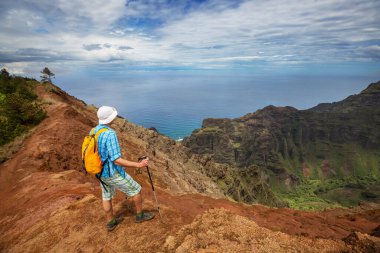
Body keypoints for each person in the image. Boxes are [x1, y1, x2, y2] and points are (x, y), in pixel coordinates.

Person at [94, 106, 155, 231]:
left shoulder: (94, 131)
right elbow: (116, 160)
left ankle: (110, 222)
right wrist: (139, 165)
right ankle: (139, 216)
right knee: (136, 190)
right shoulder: (110, 134)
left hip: (100, 172)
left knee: (106, 196)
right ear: (110, 118)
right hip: (112, 172)